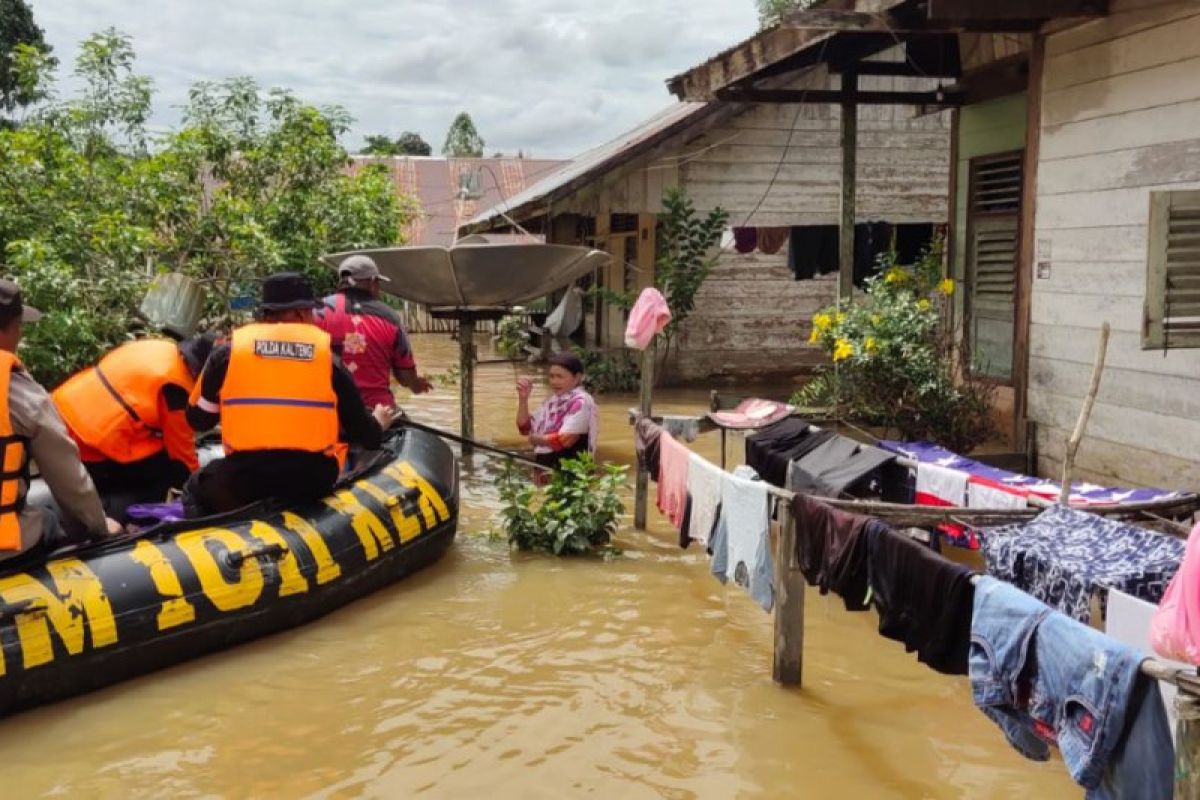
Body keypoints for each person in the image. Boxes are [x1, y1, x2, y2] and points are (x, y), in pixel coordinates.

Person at [183, 272, 395, 517]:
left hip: (245, 480)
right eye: (312, 312)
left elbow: (198, 420)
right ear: (300, 313)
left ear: (266, 313)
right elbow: (365, 435)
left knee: (193, 488)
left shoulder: (227, 354)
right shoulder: (328, 360)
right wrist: (378, 422)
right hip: (311, 480)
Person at [0, 280, 121, 559]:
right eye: (19, 327)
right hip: (6, 547)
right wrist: (100, 525)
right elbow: (70, 482)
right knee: (49, 519)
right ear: (11, 327)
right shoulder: (19, 393)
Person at [51, 334, 215, 522]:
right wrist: (197, 493)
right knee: (166, 471)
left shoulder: (160, 349)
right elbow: (182, 455)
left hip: (61, 409)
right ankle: (123, 516)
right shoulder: (176, 387)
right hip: (87, 443)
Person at [316, 254, 432, 409]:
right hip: (376, 413)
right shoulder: (390, 318)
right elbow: (406, 377)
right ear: (372, 283)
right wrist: (418, 384)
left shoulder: (315, 311)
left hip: (325, 411)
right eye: (378, 283)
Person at [515, 352, 598, 470]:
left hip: (569, 472)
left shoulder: (581, 401)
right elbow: (524, 428)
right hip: (545, 468)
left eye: (560, 377)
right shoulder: (551, 403)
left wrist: (534, 439)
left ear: (577, 378)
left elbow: (564, 440)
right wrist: (523, 399)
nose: (554, 382)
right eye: (551, 376)